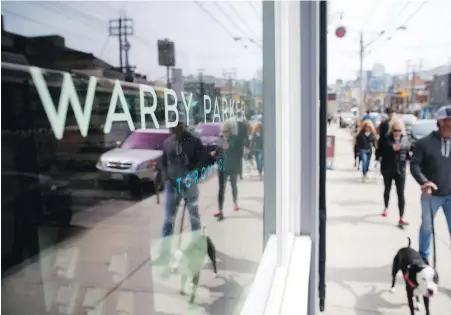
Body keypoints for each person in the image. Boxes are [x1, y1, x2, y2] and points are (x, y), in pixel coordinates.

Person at [157, 111, 212, 261]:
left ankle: (196, 247)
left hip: (189, 185)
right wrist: (165, 178)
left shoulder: (194, 142)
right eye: (171, 128)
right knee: (168, 219)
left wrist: (193, 176)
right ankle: (164, 252)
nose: (173, 131)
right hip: (172, 186)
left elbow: (203, 162)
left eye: (176, 127)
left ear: (182, 126)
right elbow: (162, 162)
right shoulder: (168, 143)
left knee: (193, 216)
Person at [410, 105, 451, 264]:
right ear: (440, 122)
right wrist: (424, 181)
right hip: (431, 195)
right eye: (448, 122)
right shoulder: (425, 143)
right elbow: (414, 165)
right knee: (427, 228)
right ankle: (423, 260)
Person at [376, 119, 411, 227]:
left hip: (400, 170)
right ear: (392, 130)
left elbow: (408, 153)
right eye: (395, 130)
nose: (397, 132)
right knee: (387, 189)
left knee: (401, 193)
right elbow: (378, 152)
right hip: (388, 169)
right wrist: (390, 148)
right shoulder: (385, 139)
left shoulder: (405, 139)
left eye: (399, 130)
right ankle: (386, 207)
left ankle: (401, 217)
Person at [214, 119, 242, 221]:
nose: (223, 133)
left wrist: (224, 142)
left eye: (225, 131)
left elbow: (230, 148)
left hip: (232, 167)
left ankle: (235, 202)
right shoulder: (220, 139)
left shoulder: (234, 139)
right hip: (222, 168)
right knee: (221, 189)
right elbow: (218, 151)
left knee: (233, 186)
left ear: (229, 131)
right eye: (222, 131)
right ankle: (220, 210)